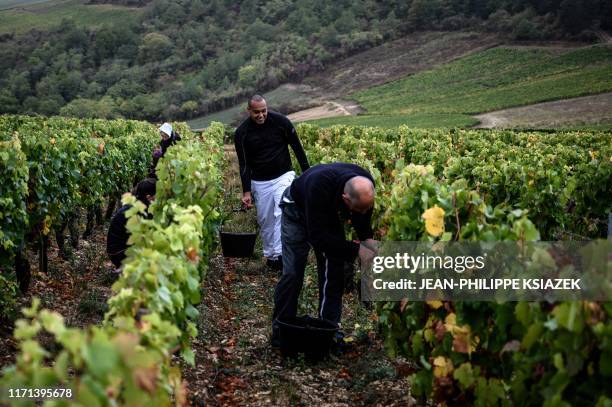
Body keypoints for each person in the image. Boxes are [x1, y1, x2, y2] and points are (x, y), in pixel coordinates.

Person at [271, 163, 378, 346]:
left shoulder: (364, 185)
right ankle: (281, 329)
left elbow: (362, 216)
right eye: (358, 209)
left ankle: (329, 328)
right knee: (293, 272)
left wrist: (368, 240)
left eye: (366, 209)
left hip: (327, 213)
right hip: (296, 210)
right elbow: (319, 238)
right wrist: (356, 250)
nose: (362, 213)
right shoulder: (319, 187)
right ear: (345, 199)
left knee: (334, 268)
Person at [234, 95, 310, 271]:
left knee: (281, 211)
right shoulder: (242, 133)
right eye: (256, 112)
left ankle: (281, 255)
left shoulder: (281, 122)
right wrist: (246, 192)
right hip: (259, 182)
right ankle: (270, 255)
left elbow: (297, 148)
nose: (261, 115)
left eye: (264, 111)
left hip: (284, 176)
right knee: (265, 220)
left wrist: (307, 173)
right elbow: (243, 164)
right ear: (249, 111)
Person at [106, 178, 156, 269]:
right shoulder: (137, 212)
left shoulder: (139, 205)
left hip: (118, 250)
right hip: (118, 253)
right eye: (157, 196)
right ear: (148, 197)